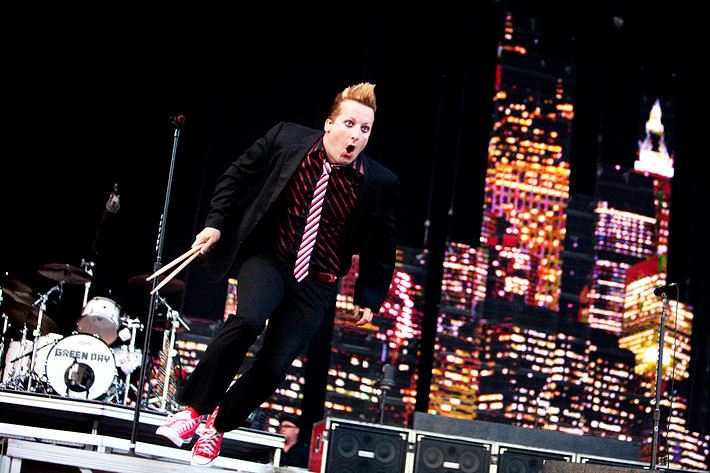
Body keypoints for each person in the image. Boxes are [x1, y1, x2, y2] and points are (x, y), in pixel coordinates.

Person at [155, 82, 399, 467]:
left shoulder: (379, 183)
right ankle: (192, 412)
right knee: (247, 321)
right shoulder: (287, 139)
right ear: (329, 124)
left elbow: (382, 244)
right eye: (350, 124)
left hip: (316, 283)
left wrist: (370, 296)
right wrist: (216, 224)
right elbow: (236, 176)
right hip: (269, 259)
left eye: (365, 129)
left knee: (273, 366)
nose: (355, 135)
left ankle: (217, 427)